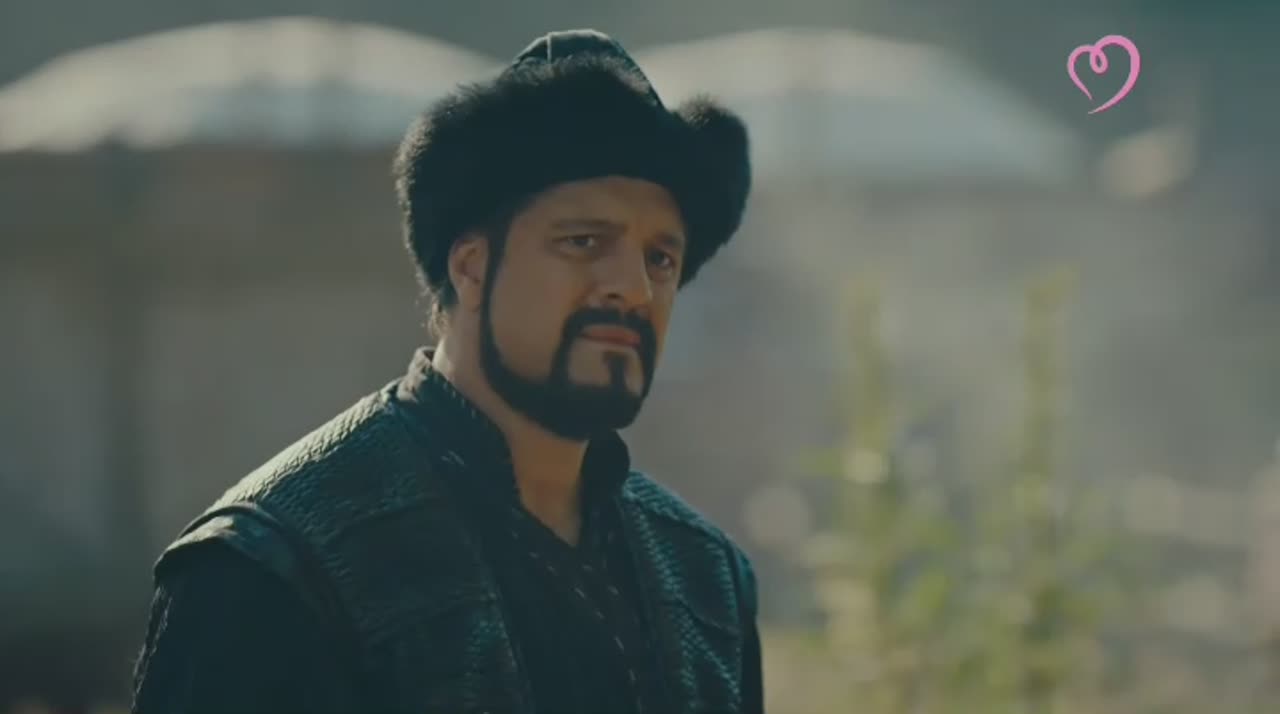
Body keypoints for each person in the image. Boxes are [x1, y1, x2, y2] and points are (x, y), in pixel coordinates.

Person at [130, 28, 760, 714]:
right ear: (471, 266)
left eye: (660, 259)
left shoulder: (705, 581)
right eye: (583, 241)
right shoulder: (273, 567)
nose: (633, 288)